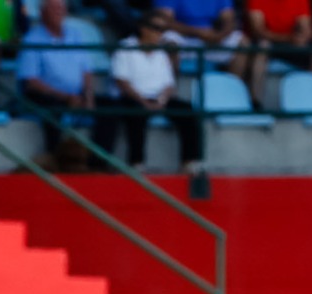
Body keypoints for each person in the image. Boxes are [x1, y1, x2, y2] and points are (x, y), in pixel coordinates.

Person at [95, 12, 201, 172]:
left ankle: (189, 162)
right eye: (156, 28)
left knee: (186, 110)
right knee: (136, 112)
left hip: (158, 99)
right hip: (132, 97)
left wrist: (161, 101)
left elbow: (169, 84)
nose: (160, 33)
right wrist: (143, 102)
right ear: (143, 29)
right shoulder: (125, 47)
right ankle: (136, 162)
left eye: (163, 29)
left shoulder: (161, 52)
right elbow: (122, 82)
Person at [14, 0, 94, 165]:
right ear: (42, 13)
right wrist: (66, 97)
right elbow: (31, 81)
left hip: (76, 94)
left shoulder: (75, 35)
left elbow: (86, 71)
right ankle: (54, 158)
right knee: (53, 108)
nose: (58, 12)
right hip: (45, 94)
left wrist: (88, 96)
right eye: (53, 8)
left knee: (110, 107)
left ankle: (98, 163)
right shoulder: (32, 39)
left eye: (61, 8)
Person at [241, 0, 312, 102]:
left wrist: (303, 36)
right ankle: (255, 101)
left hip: (291, 44)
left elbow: (306, 27)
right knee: (263, 46)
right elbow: (258, 31)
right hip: (269, 43)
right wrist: (289, 38)